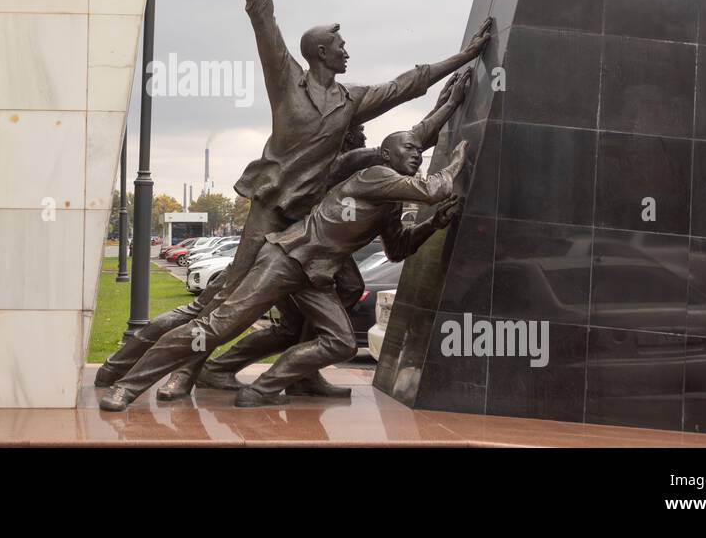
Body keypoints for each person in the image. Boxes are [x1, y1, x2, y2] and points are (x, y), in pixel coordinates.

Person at [93, 0, 492, 399]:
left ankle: (298, 371)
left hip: (309, 228)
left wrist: (464, 58)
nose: (348, 52)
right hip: (271, 214)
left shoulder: (350, 103)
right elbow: (262, 16)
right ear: (321, 52)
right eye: (340, 46)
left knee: (341, 290)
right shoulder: (287, 82)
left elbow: (407, 86)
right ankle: (128, 370)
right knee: (216, 304)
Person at [100, 130, 468, 411]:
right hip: (286, 259)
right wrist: (455, 162)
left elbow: (399, 247)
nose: (418, 155)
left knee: (340, 341)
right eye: (410, 149)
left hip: (315, 276)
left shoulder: (389, 201)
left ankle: (261, 389)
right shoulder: (374, 174)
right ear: (387, 154)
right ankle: (128, 386)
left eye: (420, 151)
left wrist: (434, 223)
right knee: (215, 326)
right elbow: (432, 188)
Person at [194, 69, 472, 392]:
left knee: (319, 312)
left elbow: (397, 245)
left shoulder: (392, 192)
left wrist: (433, 222)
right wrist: (447, 113)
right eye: (358, 133)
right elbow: (412, 141)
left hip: (316, 257)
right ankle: (222, 371)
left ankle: (290, 376)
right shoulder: (358, 164)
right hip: (295, 249)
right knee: (263, 318)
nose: (363, 137)